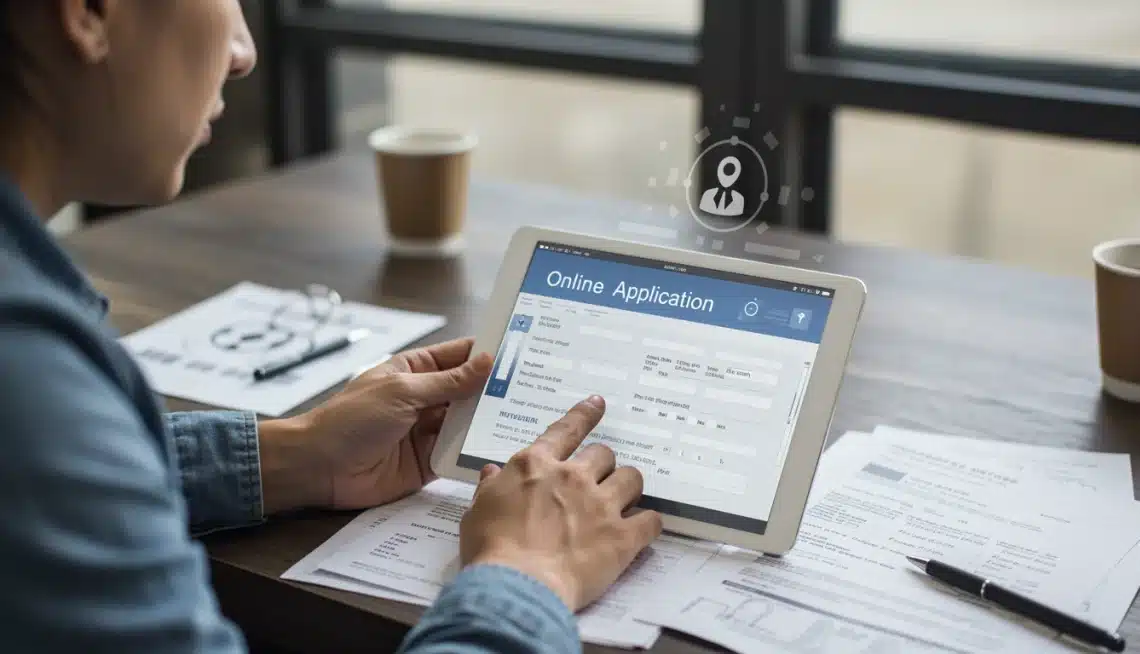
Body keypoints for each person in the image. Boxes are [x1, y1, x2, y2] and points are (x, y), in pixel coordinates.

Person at [0, 3, 662, 653]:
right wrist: (527, 574)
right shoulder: (29, 376)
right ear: (87, 11)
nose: (243, 51)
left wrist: (294, 454)